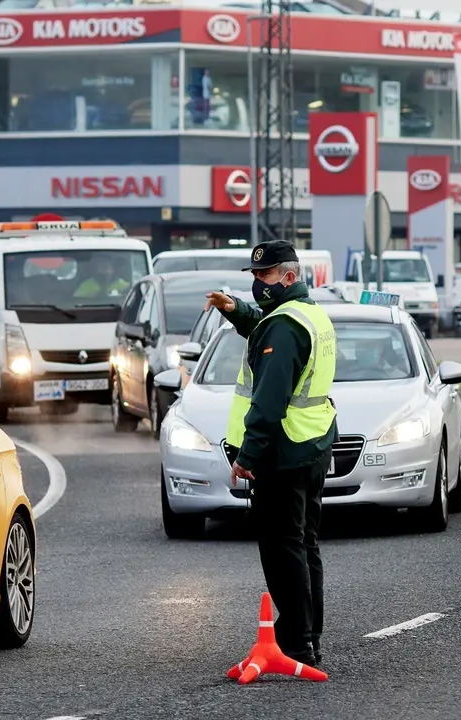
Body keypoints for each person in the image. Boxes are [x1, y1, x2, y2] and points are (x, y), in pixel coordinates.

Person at [205, 239, 338, 668]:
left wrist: (247, 456)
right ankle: (308, 635)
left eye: (265, 275)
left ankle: (296, 642)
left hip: (282, 453)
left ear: (289, 276)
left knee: (283, 549)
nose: (259, 282)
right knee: (303, 544)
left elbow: (268, 401)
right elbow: (265, 326)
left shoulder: (284, 326)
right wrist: (235, 310)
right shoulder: (306, 314)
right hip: (311, 445)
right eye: (256, 275)